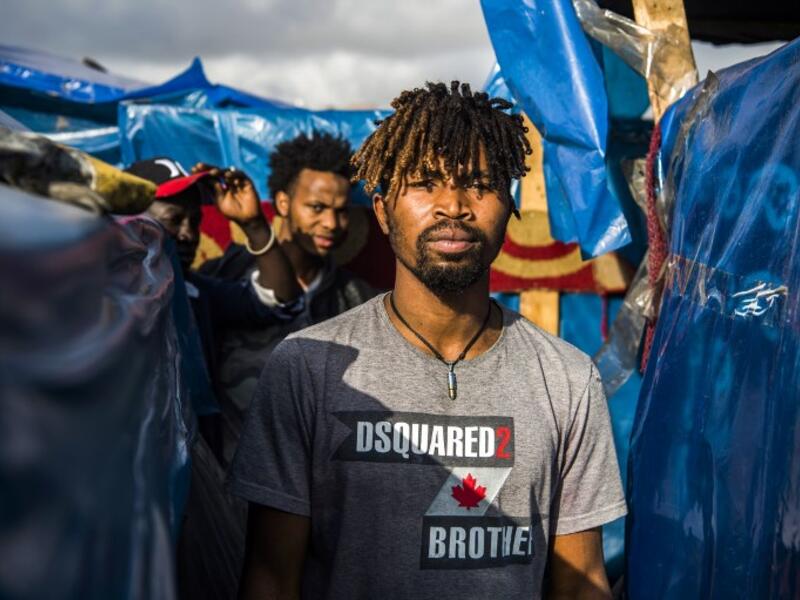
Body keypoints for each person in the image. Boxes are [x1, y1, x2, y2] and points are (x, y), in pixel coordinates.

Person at [229, 82, 626, 599]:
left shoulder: (567, 379)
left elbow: (582, 584)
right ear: (381, 212)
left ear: (509, 208)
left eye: (479, 184)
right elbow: (271, 577)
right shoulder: (306, 369)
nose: (453, 206)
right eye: (425, 183)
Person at [199, 132, 375, 464]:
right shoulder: (225, 276)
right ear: (283, 203)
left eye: (341, 211)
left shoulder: (358, 299)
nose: (331, 223)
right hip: (228, 476)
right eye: (317, 207)